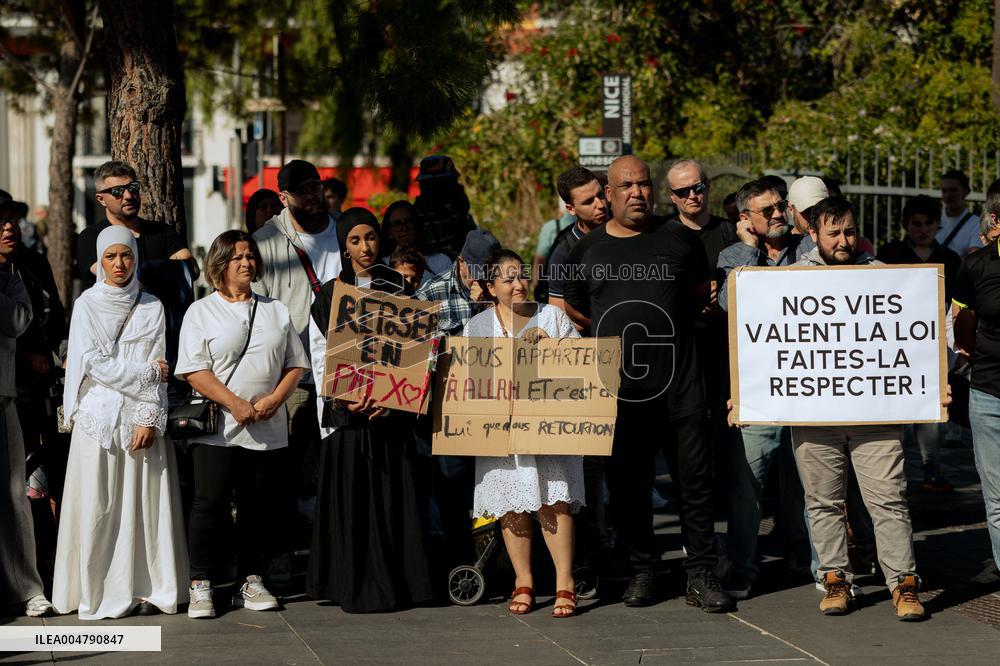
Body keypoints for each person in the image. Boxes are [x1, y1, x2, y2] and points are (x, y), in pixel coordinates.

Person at [562, 155, 731, 611]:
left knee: (695, 487)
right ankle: (643, 572)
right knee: (629, 488)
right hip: (621, 396)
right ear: (609, 194)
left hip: (683, 388)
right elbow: (576, 311)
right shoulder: (586, 250)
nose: (637, 193)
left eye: (643, 185)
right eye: (626, 186)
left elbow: (700, 297)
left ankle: (700, 575)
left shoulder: (679, 239)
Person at [793, 196, 926, 621]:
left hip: (876, 419)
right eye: (833, 233)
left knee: (889, 501)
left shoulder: (888, 280)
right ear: (813, 234)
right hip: (815, 421)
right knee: (823, 503)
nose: (844, 240)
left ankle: (903, 584)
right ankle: (836, 580)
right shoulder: (788, 283)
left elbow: (917, 338)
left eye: (849, 231)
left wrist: (933, 383)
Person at [53, 225, 187, 619]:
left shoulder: (152, 305)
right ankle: (95, 589)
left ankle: (145, 587)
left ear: (135, 257)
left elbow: (158, 357)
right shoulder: (88, 305)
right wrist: (146, 373)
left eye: (125, 255)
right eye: (110, 256)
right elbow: (93, 362)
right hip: (98, 420)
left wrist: (149, 416)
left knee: (143, 505)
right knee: (98, 506)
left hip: (140, 419)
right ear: (99, 260)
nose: (118, 264)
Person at [306, 208, 435, 613]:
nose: (365, 247)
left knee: (393, 497)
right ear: (344, 246)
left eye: (371, 238)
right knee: (353, 502)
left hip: (390, 420)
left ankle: (401, 584)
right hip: (347, 420)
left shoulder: (400, 287)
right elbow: (318, 353)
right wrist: (344, 396)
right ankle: (349, 582)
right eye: (356, 240)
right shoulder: (328, 294)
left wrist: (389, 399)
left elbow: (414, 349)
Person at [176, 230, 309, 619]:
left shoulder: (275, 310)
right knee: (209, 504)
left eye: (250, 256)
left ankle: (251, 579)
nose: (246, 263)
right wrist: (234, 403)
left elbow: (295, 364)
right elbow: (193, 369)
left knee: (257, 507)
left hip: (266, 426)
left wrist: (273, 400)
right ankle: (201, 583)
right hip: (218, 426)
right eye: (237, 258)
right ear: (219, 264)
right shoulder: (201, 311)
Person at [463, 248, 584, 617]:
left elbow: (581, 365)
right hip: (501, 433)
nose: (518, 285)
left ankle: (564, 582)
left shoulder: (551, 316)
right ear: (489, 286)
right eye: (508, 278)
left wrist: (551, 346)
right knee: (511, 502)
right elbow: (467, 379)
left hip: (547, 429)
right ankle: (523, 580)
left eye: (521, 276)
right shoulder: (478, 327)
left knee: (553, 499)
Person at [715, 179, 812, 599]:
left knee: (806, 483)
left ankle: (807, 556)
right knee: (747, 486)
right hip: (757, 392)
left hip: (808, 387)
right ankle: (741, 566)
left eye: (780, 207)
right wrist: (751, 252)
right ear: (745, 219)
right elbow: (728, 304)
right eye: (766, 210)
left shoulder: (809, 249)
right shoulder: (732, 256)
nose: (776, 215)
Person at [253, 159, 342, 552]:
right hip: (294, 375)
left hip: (345, 372)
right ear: (283, 197)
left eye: (315, 186)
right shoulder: (264, 242)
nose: (312, 194)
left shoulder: (344, 232)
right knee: (286, 470)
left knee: (338, 467)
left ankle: (332, 550)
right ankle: (283, 555)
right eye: (302, 189)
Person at [878, 195, 961, 493]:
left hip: (934, 345)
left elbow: (956, 305)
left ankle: (930, 466)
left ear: (937, 224)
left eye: (928, 224)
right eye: (917, 224)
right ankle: (893, 470)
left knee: (930, 408)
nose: (923, 229)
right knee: (895, 405)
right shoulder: (889, 254)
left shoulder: (951, 260)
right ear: (906, 225)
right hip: (893, 343)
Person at [0, 227, 51, 617]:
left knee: (14, 495)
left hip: (4, 400)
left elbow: (18, 321)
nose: (6, 228)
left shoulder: (13, 280)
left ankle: (28, 589)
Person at [953, 177, 1000, 590]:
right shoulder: (975, 266)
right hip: (987, 393)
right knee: (996, 495)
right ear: (995, 222)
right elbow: (960, 325)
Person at [77, 161, 199, 289]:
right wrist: (168, 269)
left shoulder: (161, 231)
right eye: (118, 191)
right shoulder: (91, 237)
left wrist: (141, 271)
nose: (128, 196)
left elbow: (192, 270)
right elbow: (119, 279)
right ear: (101, 199)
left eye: (133, 187)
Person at [545, 166, 609, 315]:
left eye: (600, 195)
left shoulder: (629, 230)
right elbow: (558, 314)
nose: (600, 204)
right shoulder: (564, 252)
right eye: (588, 202)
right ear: (571, 209)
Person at [413, 155, 477, 257]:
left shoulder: (458, 211)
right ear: (424, 186)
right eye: (435, 185)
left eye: (446, 184)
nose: (440, 191)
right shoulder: (416, 218)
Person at [380, 200, 452, 283]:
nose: (404, 228)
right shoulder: (382, 265)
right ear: (389, 232)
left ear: (417, 225)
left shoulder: (441, 261)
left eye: (409, 221)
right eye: (397, 224)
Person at [938, 169, 982, 256]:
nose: (948, 195)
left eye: (953, 190)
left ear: (966, 191)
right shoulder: (932, 220)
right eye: (944, 191)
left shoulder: (976, 224)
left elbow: (973, 259)